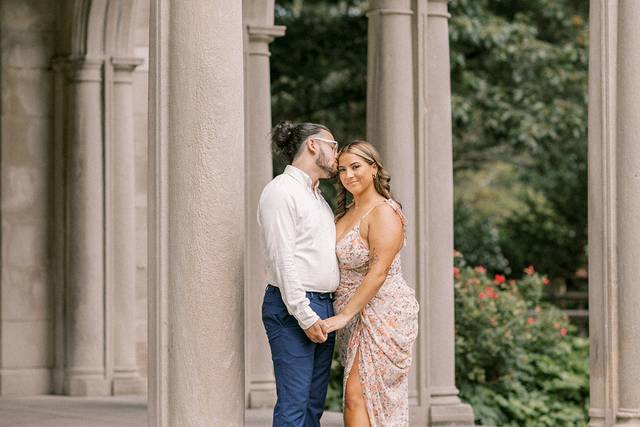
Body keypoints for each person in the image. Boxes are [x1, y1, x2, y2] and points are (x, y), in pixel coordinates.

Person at [322, 140, 419, 427]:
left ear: (373, 168)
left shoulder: (384, 212)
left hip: (383, 314)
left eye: (356, 167)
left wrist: (343, 316)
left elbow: (378, 271)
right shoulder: (342, 214)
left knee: (358, 396)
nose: (348, 175)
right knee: (356, 398)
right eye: (342, 170)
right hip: (352, 317)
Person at [257, 121, 340, 427]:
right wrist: (305, 315)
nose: (337, 155)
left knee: (312, 407)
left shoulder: (317, 197)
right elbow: (283, 261)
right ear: (313, 145)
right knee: (294, 407)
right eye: (333, 146)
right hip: (294, 307)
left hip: (324, 306)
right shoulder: (281, 192)